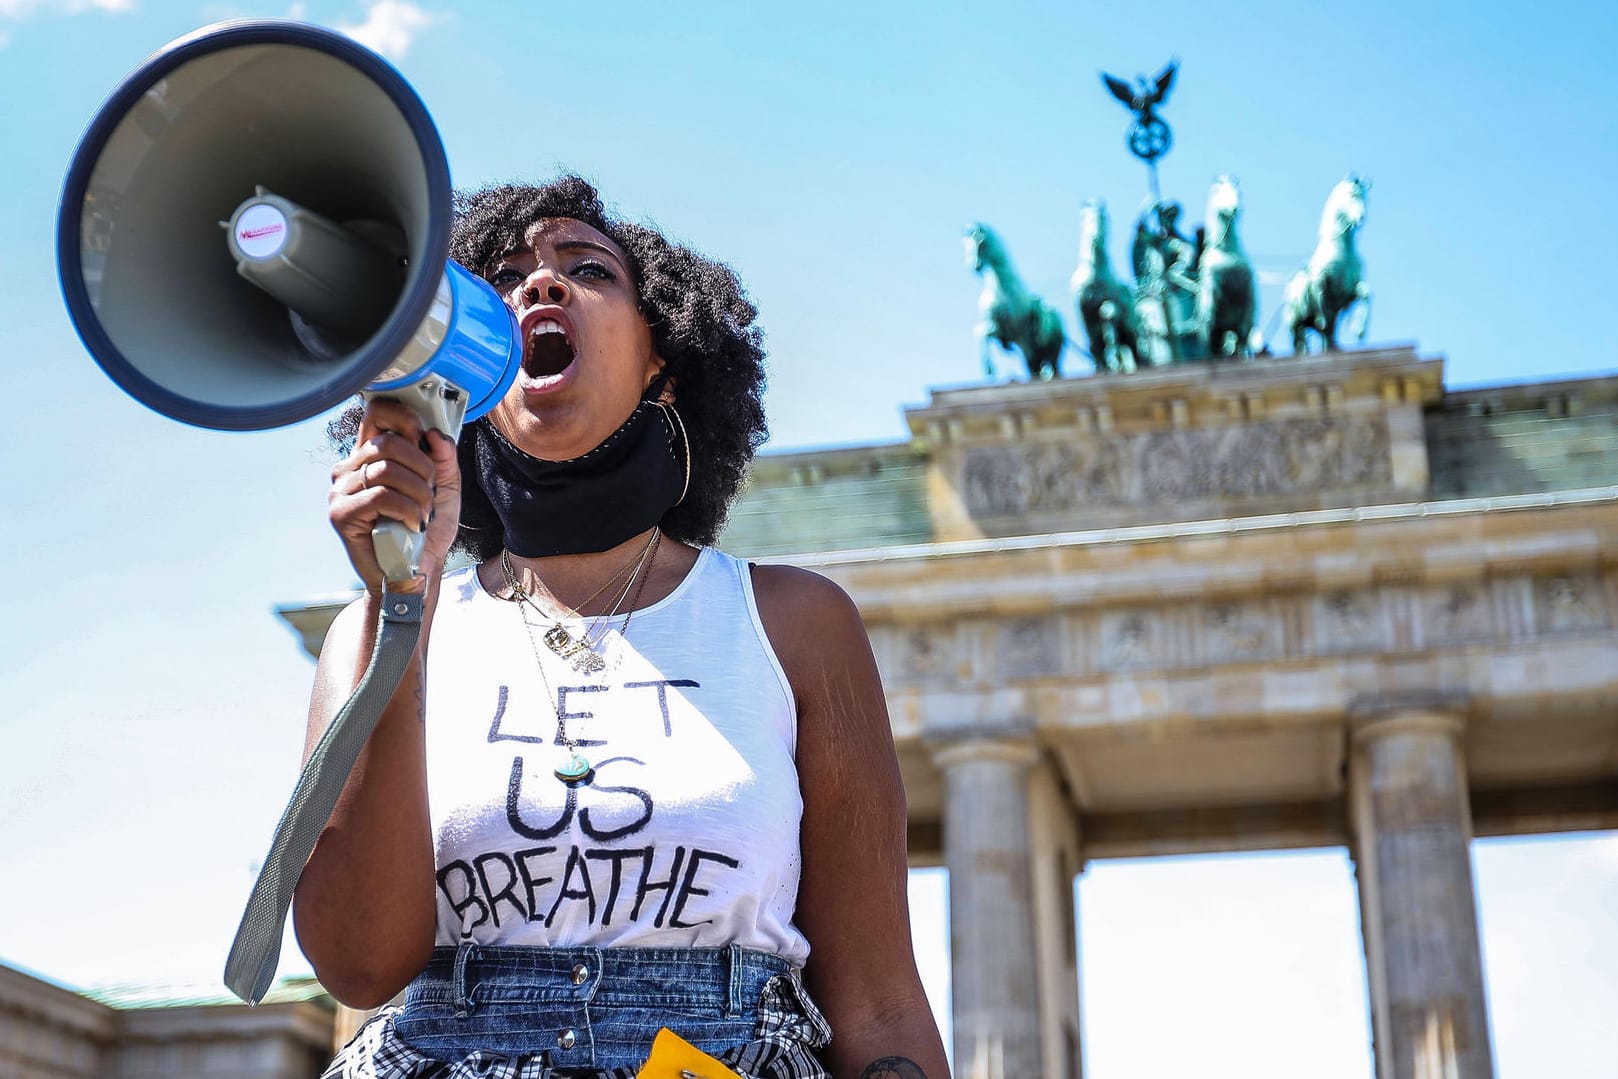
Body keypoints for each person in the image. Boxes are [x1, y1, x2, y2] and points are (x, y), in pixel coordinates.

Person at [297, 176, 949, 1079]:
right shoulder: (377, 629)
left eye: (586, 269)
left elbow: (878, 1001)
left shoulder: (795, 624)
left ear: (663, 361)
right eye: (504, 278)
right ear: (460, 368)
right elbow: (360, 964)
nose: (540, 284)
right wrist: (398, 607)